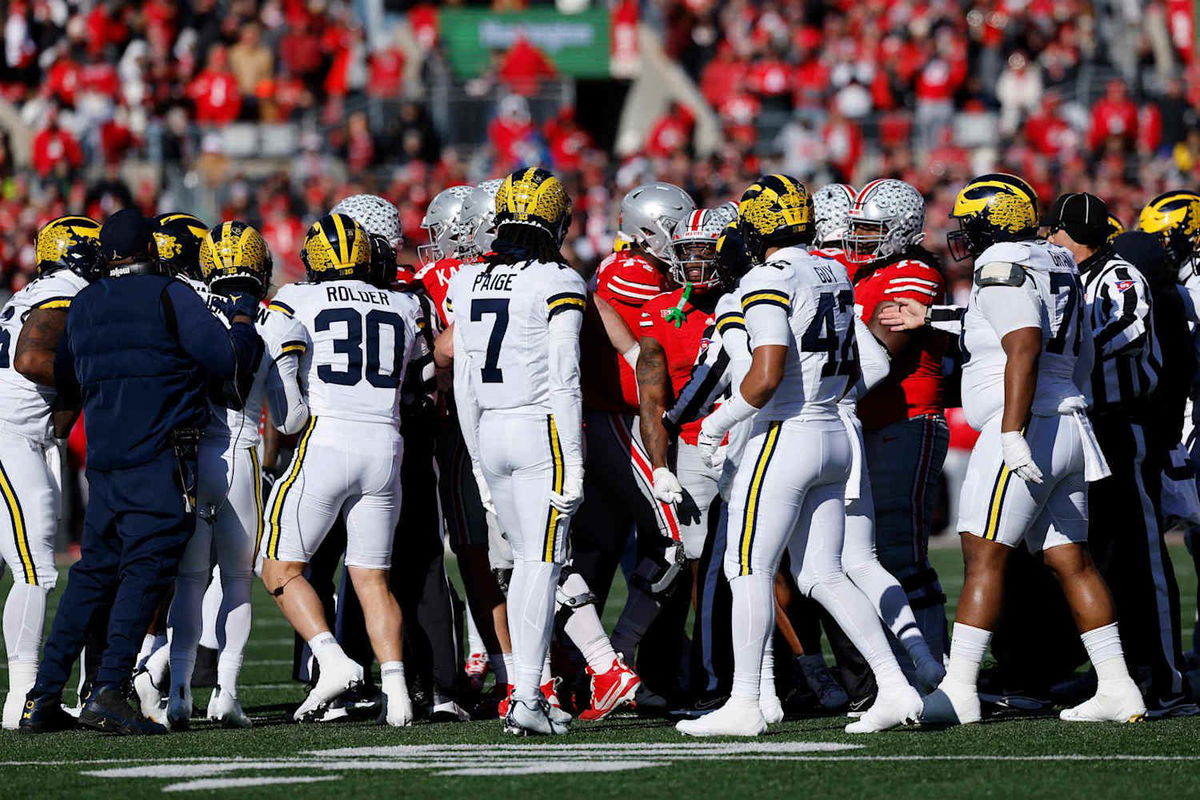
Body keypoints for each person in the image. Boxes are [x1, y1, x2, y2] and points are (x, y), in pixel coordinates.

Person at [882, 173, 1146, 725]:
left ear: (990, 224)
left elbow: (1023, 343)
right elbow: (1070, 352)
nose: (964, 236)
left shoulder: (999, 262)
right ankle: (1119, 687)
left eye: (970, 225)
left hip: (1026, 430)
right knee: (1072, 560)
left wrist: (1009, 430)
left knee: (983, 554)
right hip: (1069, 422)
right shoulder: (1056, 261)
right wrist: (929, 318)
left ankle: (958, 691)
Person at [677, 174, 923, 737]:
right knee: (823, 574)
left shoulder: (770, 277)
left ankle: (743, 703)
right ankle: (895, 685)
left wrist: (714, 426)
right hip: (834, 430)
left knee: (746, 568)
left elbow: (763, 377)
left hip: (786, 432)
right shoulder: (832, 269)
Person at [21, 208, 263, 735]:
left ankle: (42, 694)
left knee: (90, 576)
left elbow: (64, 372)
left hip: (105, 459)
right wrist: (243, 322)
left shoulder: (84, 302)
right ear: (150, 251)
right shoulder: (169, 294)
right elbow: (223, 359)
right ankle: (109, 688)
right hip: (161, 456)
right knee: (145, 570)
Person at [259, 212, 427, 727]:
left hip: (325, 441)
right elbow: (421, 368)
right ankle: (397, 693)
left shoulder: (296, 298)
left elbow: (271, 358)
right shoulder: (401, 304)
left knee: (278, 566)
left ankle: (332, 661)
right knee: (373, 579)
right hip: (385, 445)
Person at [444, 167, 585, 735]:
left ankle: (528, 693)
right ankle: (527, 694)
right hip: (539, 429)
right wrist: (574, 461)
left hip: (492, 430)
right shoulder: (559, 281)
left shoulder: (468, 282)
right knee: (541, 563)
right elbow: (565, 377)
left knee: (527, 563)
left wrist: (477, 458)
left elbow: (462, 380)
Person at [156, 222, 309, 729]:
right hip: (240, 455)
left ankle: (177, 692)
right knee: (237, 584)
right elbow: (289, 419)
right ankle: (226, 692)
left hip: (191, 457)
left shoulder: (185, 305)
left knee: (189, 581)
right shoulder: (276, 321)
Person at [1049, 192, 1194, 718]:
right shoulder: (1069, 277)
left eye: (1056, 231)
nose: (1049, 240)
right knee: (1097, 555)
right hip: (1085, 425)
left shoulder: (1118, 275)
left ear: (1073, 232)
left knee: (1140, 554)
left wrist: (1059, 347)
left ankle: (1164, 677)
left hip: (1121, 424)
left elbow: (1127, 329)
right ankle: (1116, 672)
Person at [844, 179, 950, 672]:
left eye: (871, 228)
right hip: (872, 421)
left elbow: (884, 346)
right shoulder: (871, 271)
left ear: (900, 229)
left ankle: (932, 658)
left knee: (901, 550)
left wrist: (833, 402)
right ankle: (900, 664)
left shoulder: (912, 270)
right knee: (870, 554)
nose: (859, 237)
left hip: (907, 418)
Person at [0, 216, 101, 729]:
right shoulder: (64, 294)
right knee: (35, 568)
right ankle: (22, 698)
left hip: (18, 433)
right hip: (9, 436)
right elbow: (33, 359)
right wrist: (95, 373)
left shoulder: (34, 290)